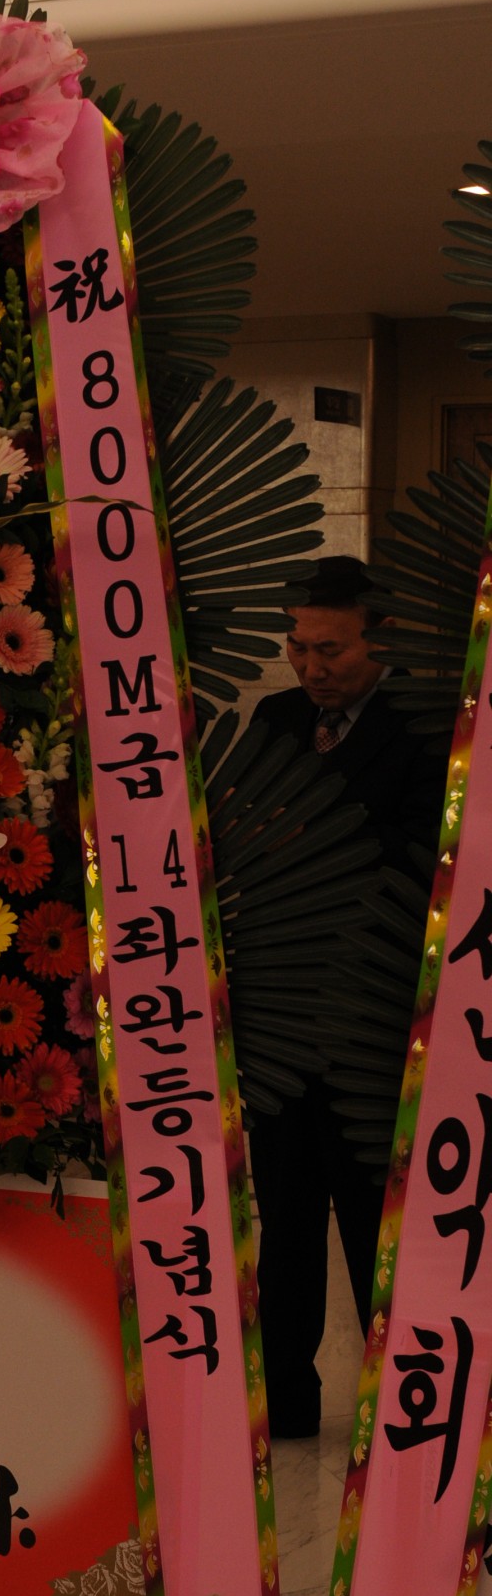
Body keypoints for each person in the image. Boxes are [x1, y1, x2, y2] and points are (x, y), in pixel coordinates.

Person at [247, 555, 446, 1437]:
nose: (310, 667)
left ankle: (397, 1409)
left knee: (376, 1224)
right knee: (286, 1221)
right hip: (281, 1017)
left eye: (329, 650)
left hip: (375, 1019)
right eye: (297, 647)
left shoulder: (426, 728)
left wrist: (305, 839)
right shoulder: (275, 720)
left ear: (381, 637)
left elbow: (414, 857)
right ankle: (283, 1404)